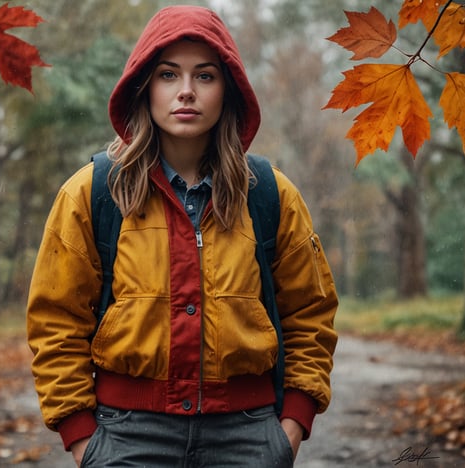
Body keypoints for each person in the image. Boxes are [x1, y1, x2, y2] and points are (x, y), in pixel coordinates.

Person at [26, 5, 338, 467]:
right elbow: (56, 321)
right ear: (144, 87)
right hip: (128, 438)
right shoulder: (91, 193)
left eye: (205, 76)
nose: (186, 92)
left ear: (228, 90)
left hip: (247, 436)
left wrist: (291, 425)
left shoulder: (271, 195)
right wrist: (81, 439)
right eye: (168, 75)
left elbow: (310, 314)